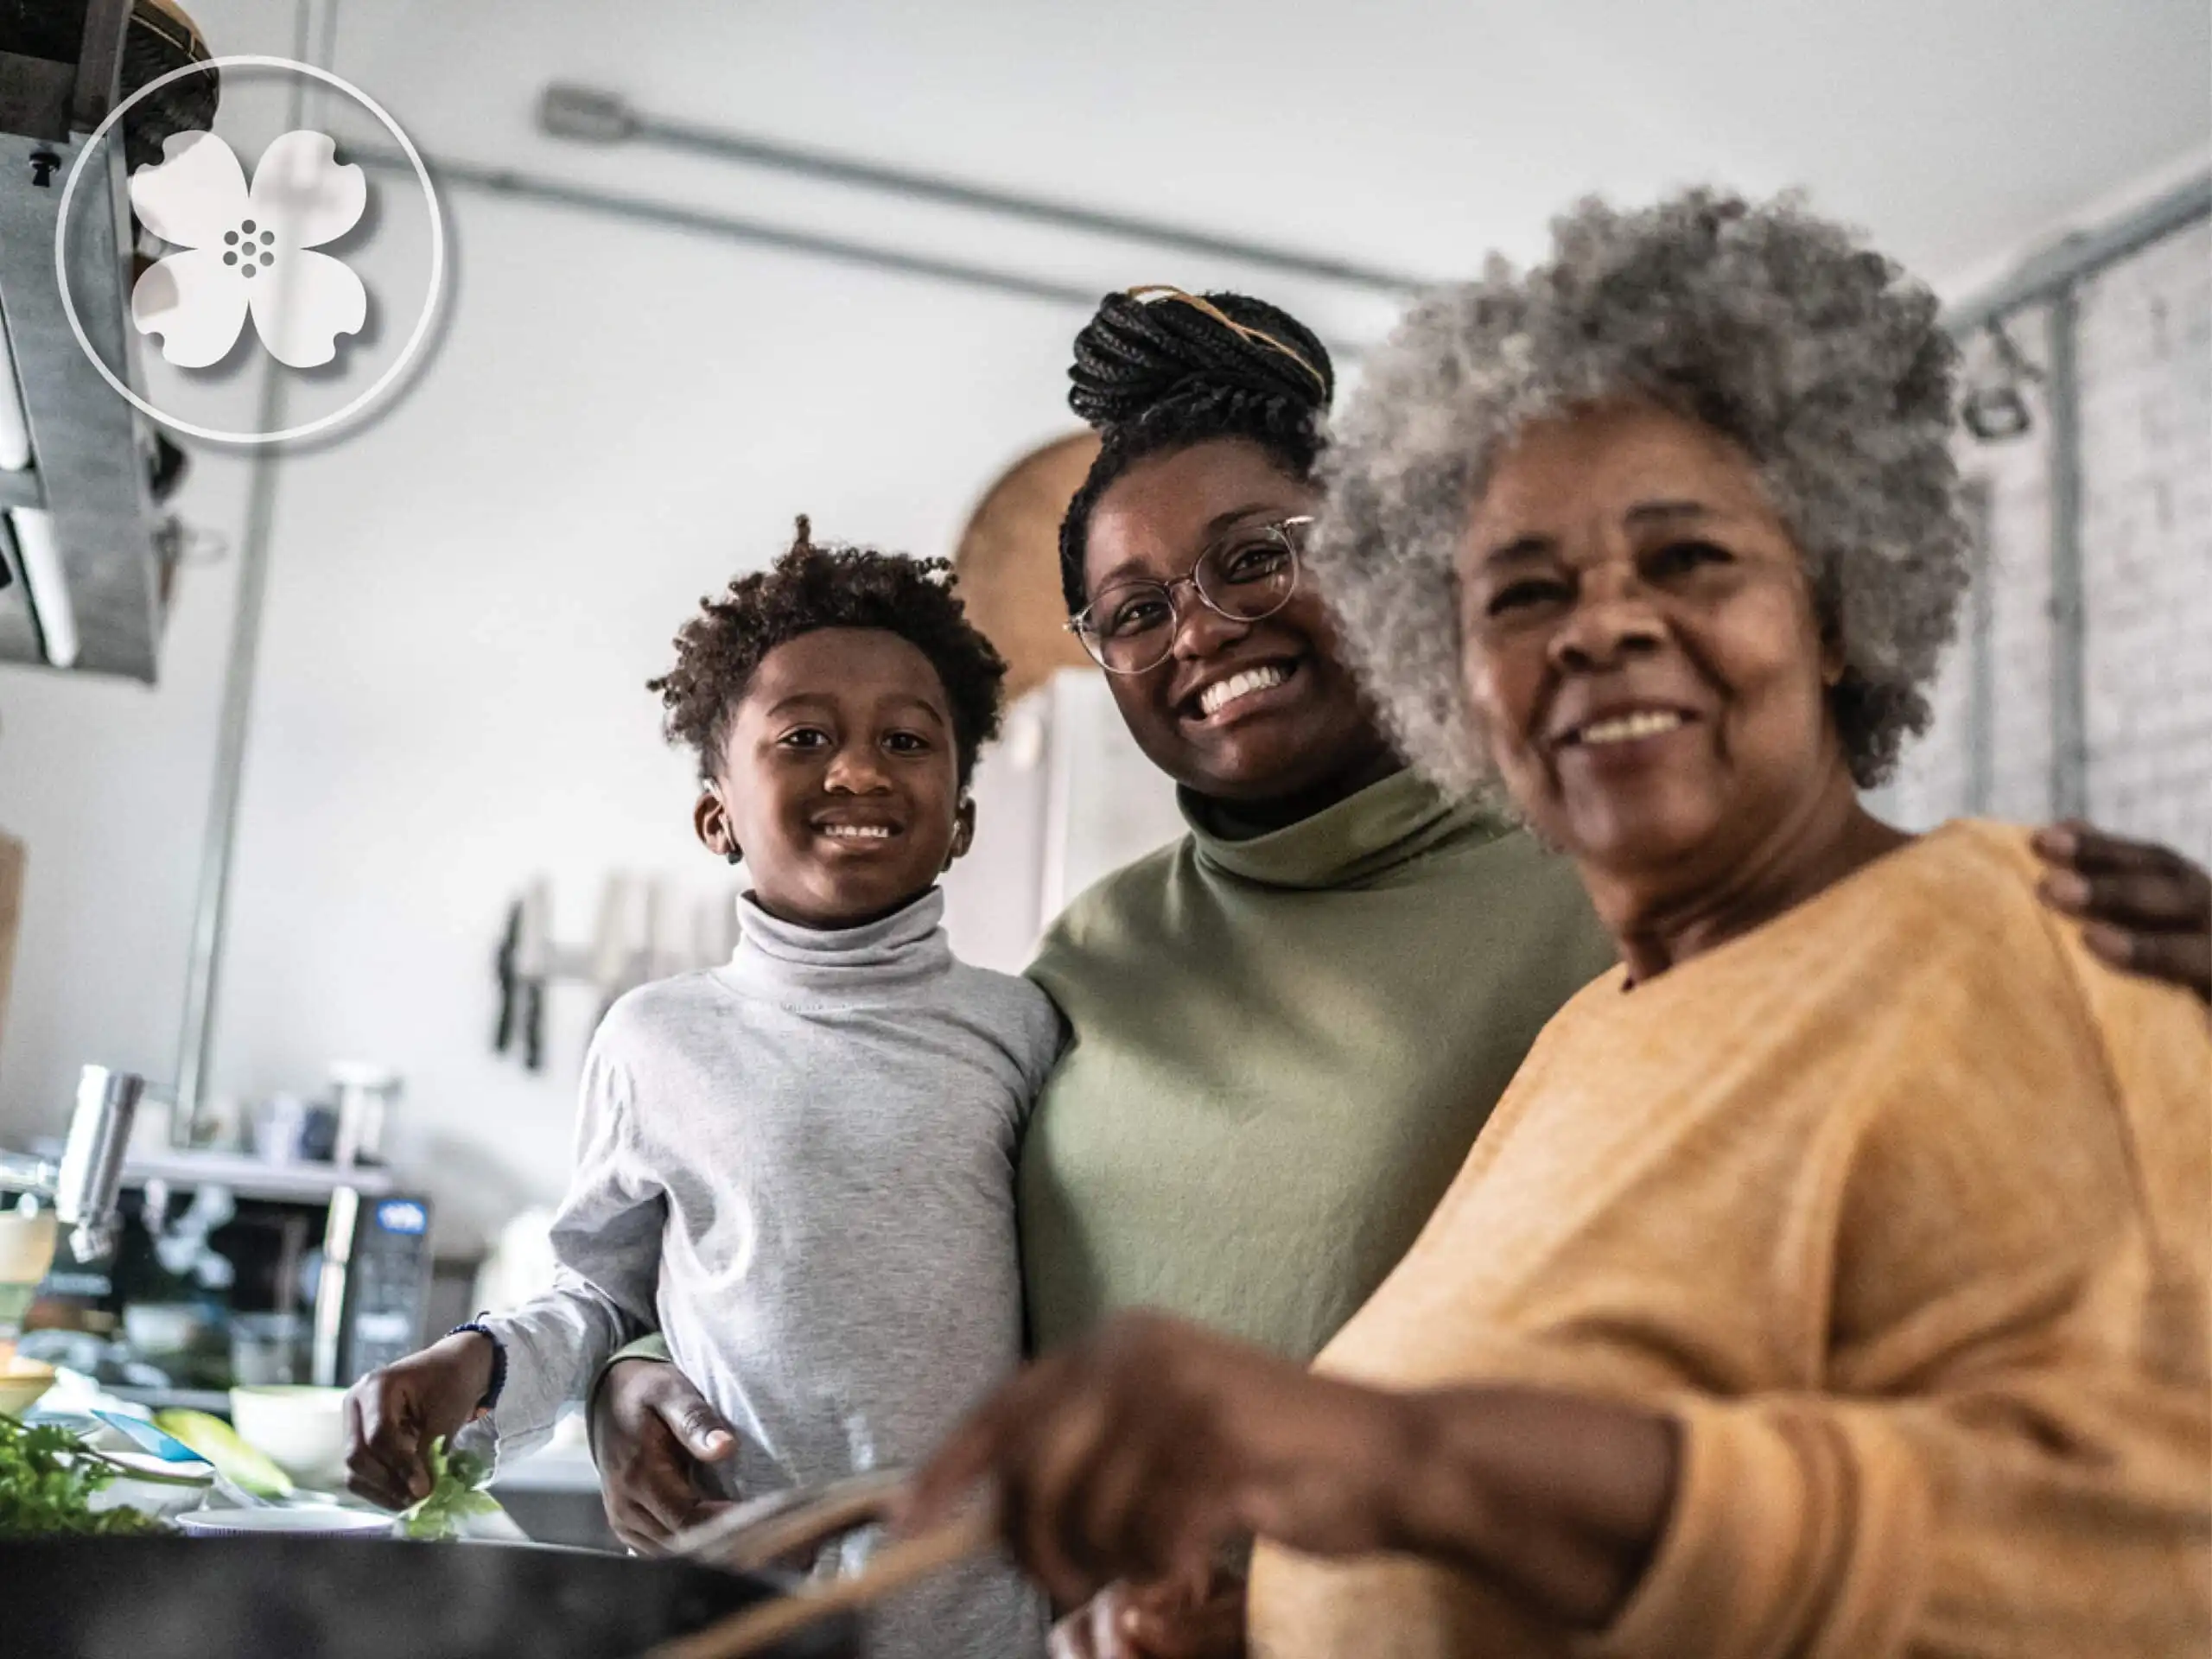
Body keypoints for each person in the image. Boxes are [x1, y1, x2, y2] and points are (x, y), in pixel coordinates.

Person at [595, 289, 2212, 1659]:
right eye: (1133, 609)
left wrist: (1364, 1513)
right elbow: (872, 1254)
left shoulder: (1638, 901)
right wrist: (633, 1366)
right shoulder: (1091, 958)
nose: (1202, 630)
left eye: (1257, 557)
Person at [344, 523, 1057, 1659]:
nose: (860, 769)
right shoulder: (657, 1040)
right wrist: (470, 1362)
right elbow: (603, 1309)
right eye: (805, 736)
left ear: (962, 813)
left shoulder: (1022, 1031)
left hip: (970, 1628)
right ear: (716, 813)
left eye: (909, 741)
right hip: (728, 1618)